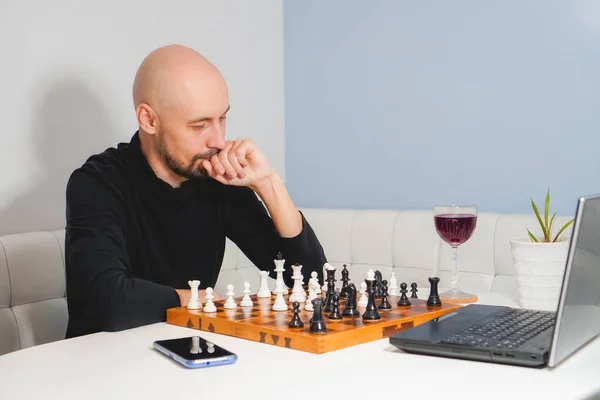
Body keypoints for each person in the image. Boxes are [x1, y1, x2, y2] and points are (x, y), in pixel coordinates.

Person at [64, 45, 327, 338]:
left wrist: (268, 182)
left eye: (222, 118)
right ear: (149, 120)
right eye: (199, 125)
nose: (218, 140)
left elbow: (308, 280)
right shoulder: (96, 183)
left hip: (190, 358)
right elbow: (109, 303)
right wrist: (195, 298)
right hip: (102, 365)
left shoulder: (215, 177)